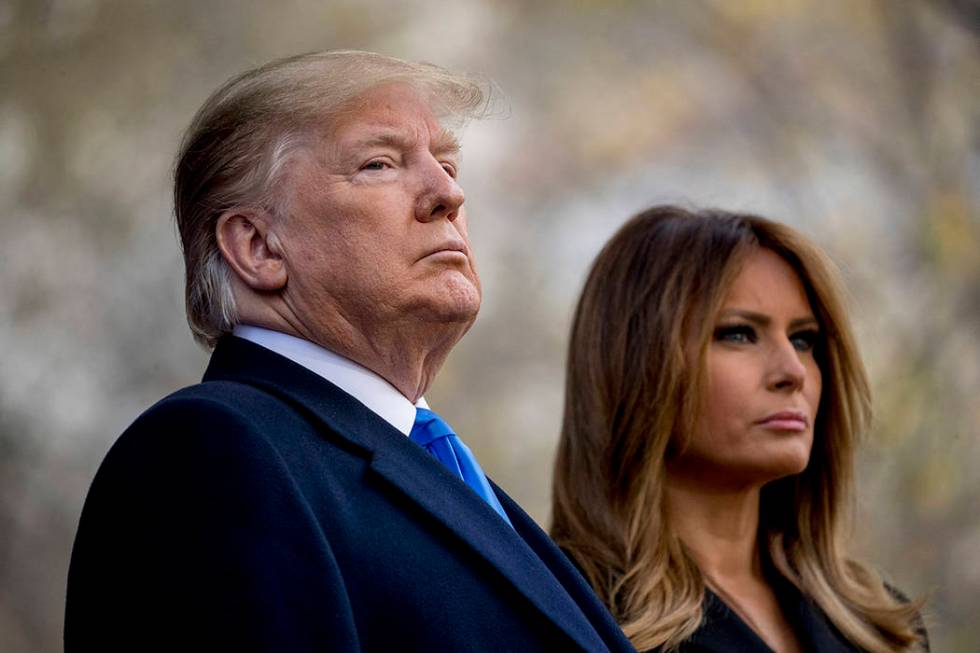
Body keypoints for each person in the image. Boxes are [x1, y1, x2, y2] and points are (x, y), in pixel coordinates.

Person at [65, 50, 635, 653]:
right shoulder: (208, 454)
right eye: (379, 164)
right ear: (258, 247)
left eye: (447, 164)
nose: (448, 195)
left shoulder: (420, 459)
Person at [550, 206, 928, 652]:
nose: (793, 372)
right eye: (739, 333)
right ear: (637, 364)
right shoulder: (565, 616)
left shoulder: (881, 625)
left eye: (804, 340)